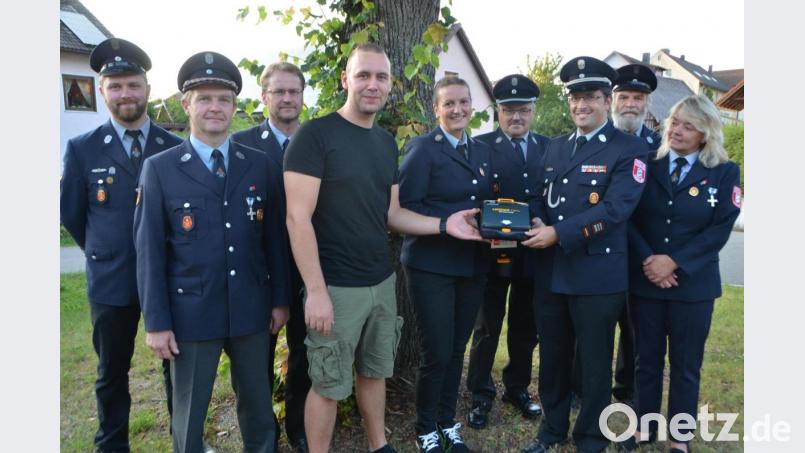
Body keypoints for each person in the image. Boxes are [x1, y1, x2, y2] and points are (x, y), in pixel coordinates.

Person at [283, 43, 482, 453]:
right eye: (363, 75)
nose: (373, 85)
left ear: (390, 84)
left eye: (381, 77)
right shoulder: (315, 135)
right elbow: (296, 218)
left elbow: (393, 215)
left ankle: (379, 446)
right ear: (346, 80)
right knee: (327, 383)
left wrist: (446, 224)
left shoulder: (384, 143)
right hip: (335, 286)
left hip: (381, 281)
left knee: (374, 372)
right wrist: (316, 291)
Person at [134, 51, 291, 453]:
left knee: (258, 408)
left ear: (235, 106)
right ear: (186, 104)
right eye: (204, 98)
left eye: (223, 99)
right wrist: (156, 322)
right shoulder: (161, 168)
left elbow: (274, 238)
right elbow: (149, 251)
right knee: (189, 413)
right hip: (191, 313)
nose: (215, 107)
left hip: (251, 309)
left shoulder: (258, 165)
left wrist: (280, 300)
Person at [520, 56, 649, 453]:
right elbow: (537, 198)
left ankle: (591, 438)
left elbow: (615, 210)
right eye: (576, 97)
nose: (581, 105)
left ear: (607, 101)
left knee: (594, 364)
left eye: (591, 97)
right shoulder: (555, 147)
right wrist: (537, 222)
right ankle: (551, 430)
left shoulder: (630, 149)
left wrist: (557, 232)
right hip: (551, 272)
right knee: (554, 359)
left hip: (597, 275)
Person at [60, 37, 180, 453]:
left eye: (132, 84)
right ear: (101, 92)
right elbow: (74, 215)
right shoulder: (82, 149)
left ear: (148, 88)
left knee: (175, 366)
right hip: (111, 281)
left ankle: (184, 438)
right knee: (111, 370)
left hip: (167, 279)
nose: (125, 93)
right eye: (115, 85)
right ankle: (111, 444)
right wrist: (104, 249)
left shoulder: (173, 148)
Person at [619, 95, 741, 453]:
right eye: (675, 122)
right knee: (646, 362)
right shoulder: (645, 164)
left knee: (687, 366)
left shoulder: (724, 171)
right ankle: (643, 430)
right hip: (647, 283)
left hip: (694, 287)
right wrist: (650, 261)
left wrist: (674, 262)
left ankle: (679, 438)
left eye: (689, 125)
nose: (678, 130)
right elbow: (628, 217)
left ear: (705, 133)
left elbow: (720, 229)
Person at [399, 76, 493, 453]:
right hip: (431, 264)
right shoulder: (423, 149)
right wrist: (447, 223)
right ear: (436, 109)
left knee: (457, 349)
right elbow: (404, 208)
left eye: (464, 102)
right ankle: (425, 429)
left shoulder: (482, 150)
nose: (457, 110)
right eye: (449, 103)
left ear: (473, 106)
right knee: (436, 352)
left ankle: (446, 423)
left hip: (472, 264)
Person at [232, 61, 310, 452]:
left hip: (308, 267)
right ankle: (263, 435)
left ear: (302, 96)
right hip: (259, 272)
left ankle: (298, 426)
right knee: (256, 358)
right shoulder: (242, 145)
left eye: (293, 91)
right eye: (278, 91)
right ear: (264, 97)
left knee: (305, 353)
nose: (286, 98)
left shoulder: (315, 141)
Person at [466, 74, 546, 429]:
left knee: (525, 327)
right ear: (498, 111)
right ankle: (480, 393)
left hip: (532, 251)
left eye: (524, 110)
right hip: (492, 252)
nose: (517, 117)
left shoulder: (550, 147)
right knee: (487, 326)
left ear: (533, 112)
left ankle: (517, 387)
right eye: (510, 110)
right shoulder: (480, 147)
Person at [609, 63, 662, 405]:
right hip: (599, 247)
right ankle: (580, 388)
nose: (630, 103)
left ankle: (625, 390)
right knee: (590, 327)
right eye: (624, 96)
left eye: (638, 97)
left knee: (633, 329)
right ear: (612, 99)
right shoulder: (595, 139)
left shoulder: (660, 148)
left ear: (646, 103)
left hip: (642, 252)